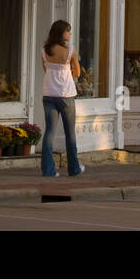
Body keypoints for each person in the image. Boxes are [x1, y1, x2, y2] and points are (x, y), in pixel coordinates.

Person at [40, 19, 84, 179]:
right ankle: (74, 168)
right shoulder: (71, 50)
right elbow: (78, 73)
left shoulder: (44, 50)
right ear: (61, 33)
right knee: (70, 133)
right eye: (68, 31)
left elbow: (45, 69)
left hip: (48, 94)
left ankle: (48, 170)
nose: (70, 33)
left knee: (49, 132)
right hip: (66, 94)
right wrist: (68, 73)